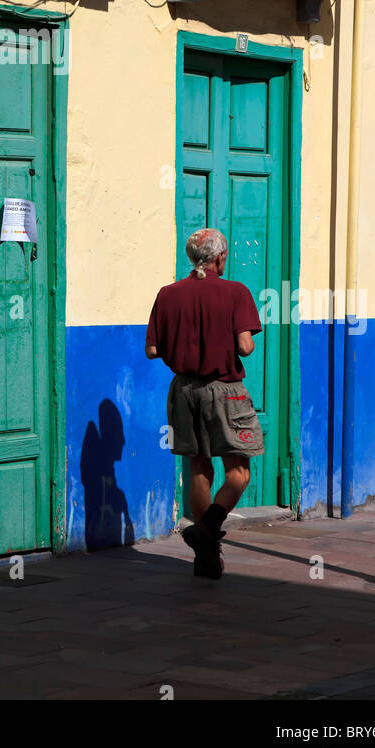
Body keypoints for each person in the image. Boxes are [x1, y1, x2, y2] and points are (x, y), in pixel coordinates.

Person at [145, 227, 264, 579]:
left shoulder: (168, 295)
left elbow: (152, 349)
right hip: (224, 389)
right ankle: (209, 527)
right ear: (220, 257)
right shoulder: (235, 292)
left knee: (198, 467)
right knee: (238, 471)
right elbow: (245, 347)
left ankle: (206, 554)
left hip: (183, 390)